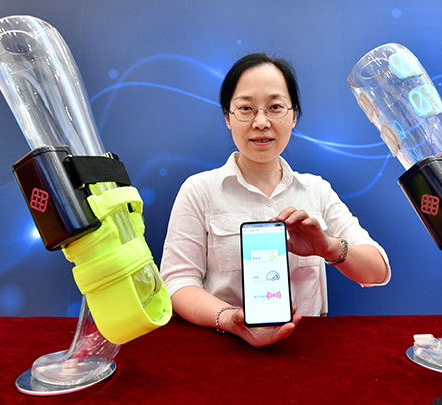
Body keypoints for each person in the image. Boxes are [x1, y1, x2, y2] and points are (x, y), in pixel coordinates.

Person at [160, 53, 390, 348]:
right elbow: (177, 283)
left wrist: (327, 247)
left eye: (275, 107)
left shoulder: (316, 190)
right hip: (225, 347)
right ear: (228, 117)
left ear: (293, 116)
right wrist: (232, 320)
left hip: (307, 350)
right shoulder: (199, 190)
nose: (261, 122)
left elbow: (378, 271)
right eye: (246, 108)